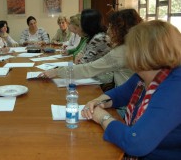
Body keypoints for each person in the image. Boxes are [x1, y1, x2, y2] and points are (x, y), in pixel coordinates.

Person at [81, 20, 181, 159]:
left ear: (142, 52)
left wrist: (102, 117)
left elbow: (136, 142)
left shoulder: (175, 87)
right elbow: (120, 94)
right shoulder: (146, 75)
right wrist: (98, 101)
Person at [40, 9, 142, 88]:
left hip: (125, 104)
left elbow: (88, 68)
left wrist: (56, 72)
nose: (108, 29)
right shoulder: (131, 46)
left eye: (111, 26)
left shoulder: (120, 51)